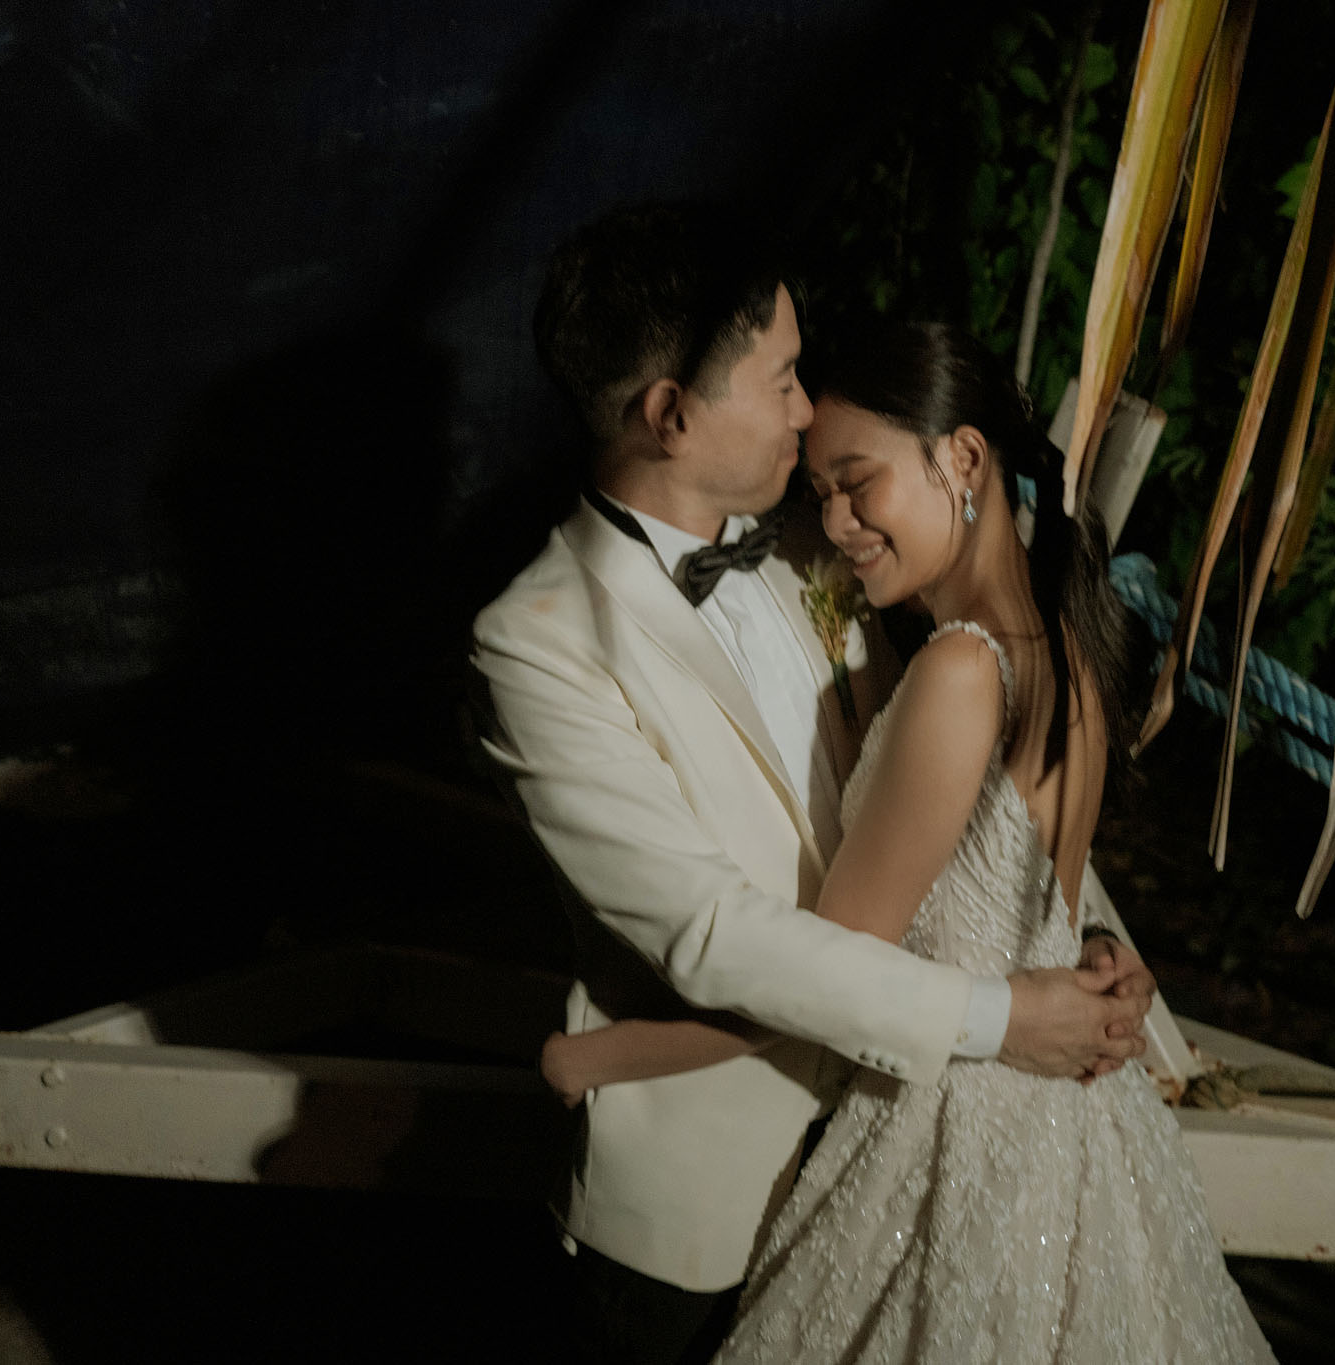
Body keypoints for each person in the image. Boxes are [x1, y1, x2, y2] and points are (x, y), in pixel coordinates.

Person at [471, 205, 1158, 1365]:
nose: (804, 410)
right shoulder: (537, 642)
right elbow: (709, 935)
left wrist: (1081, 943)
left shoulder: (815, 546)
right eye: (781, 380)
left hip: (904, 1166)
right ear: (671, 415)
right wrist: (1005, 1016)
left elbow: (968, 815)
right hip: (707, 1210)